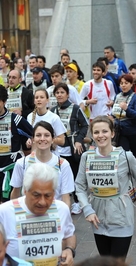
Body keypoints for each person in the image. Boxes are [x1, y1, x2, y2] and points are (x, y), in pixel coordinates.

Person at [75, 116, 136, 259]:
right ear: (92, 135)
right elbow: (80, 186)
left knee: (117, 262)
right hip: (98, 219)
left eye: (105, 131)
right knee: (105, 261)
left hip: (122, 218)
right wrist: (87, 209)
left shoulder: (126, 156)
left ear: (112, 133)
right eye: (96, 132)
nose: (101, 136)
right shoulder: (87, 157)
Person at [0, 162, 76, 266]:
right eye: (36, 195)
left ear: (54, 192)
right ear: (25, 191)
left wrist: (69, 250)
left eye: (48, 195)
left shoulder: (62, 209)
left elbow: (69, 235)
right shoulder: (4, 212)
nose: (42, 202)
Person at [10, 121, 74, 207]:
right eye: (38, 135)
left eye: (47, 135)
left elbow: (66, 198)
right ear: (33, 139)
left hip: (53, 216)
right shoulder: (22, 163)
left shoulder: (63, 164)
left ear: (52, 139)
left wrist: (65, 219)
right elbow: (15, 194)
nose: (42, 138)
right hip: (29, 216)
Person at [50, 83, 88, 214]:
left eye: (62, 92)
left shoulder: (76, 108)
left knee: (75, 175)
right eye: (57, 93)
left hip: (72, 148)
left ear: (67, 94)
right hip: (57, 149)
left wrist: (78, 141)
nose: (59, 95)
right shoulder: (53, 110)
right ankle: (62, 202)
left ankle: (78, 202)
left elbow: (85, 125)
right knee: (60, 177)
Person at [0, 85, 33, 202]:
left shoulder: (15, 119)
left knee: (8, 202)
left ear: (4, 102)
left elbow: (34, 132)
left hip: (10, 166)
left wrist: (30, 141)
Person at [112, 74, 136, 175]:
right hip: (120, 132)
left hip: (133, 132)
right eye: (121, 83)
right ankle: (126, 177)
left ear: (131, 84)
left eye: (126, 83)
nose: (123, 85)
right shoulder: (117, 96)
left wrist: (127, 109)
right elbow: (113, 112)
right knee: (123, 155)